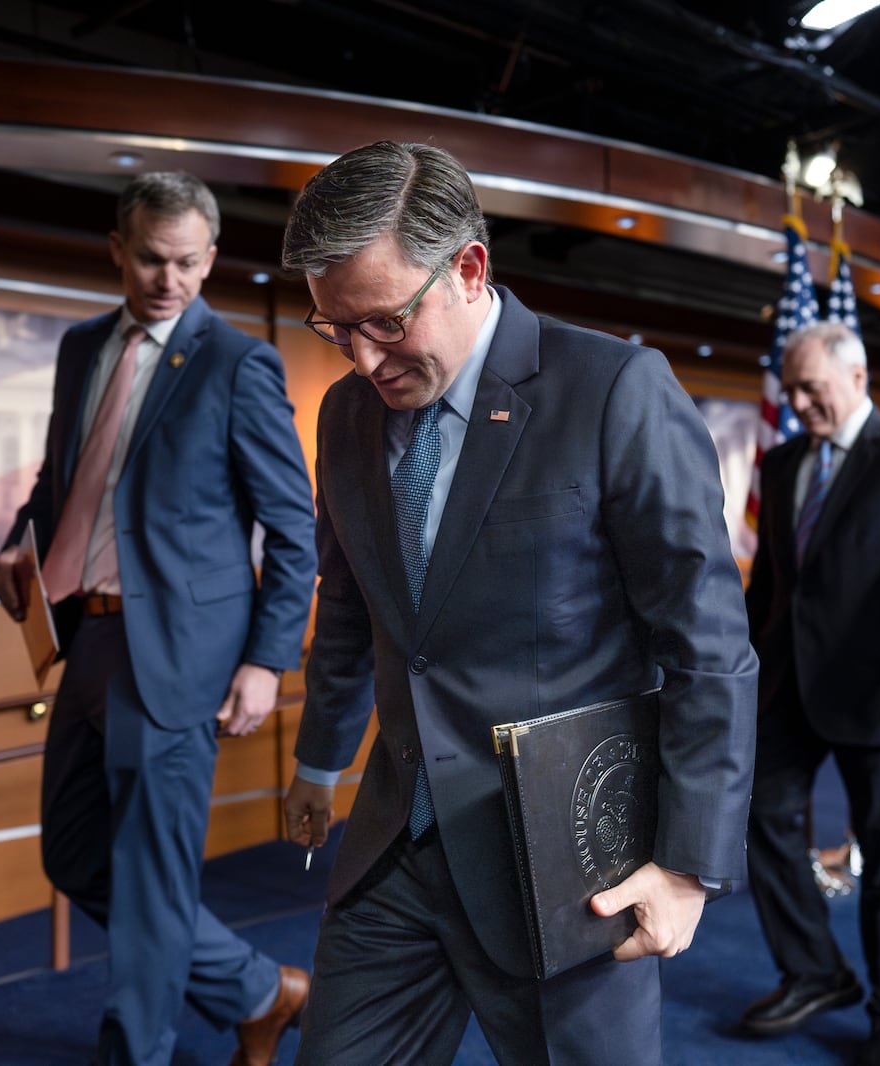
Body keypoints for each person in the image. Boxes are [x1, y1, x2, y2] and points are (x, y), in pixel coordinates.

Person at [278, 141, 757, 1065]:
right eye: (336, 330)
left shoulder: (613, 390)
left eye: (383, 321)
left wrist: (689, 865)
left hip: (563, 863)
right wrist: (318, 760)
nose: (365, 357)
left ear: (469, 268)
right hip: (397, 847)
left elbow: (706, 643)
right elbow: (351, 604)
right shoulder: (343, 417)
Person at [0, 171, 317, 1066]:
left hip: (179, 655)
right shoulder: (80, 347)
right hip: (83, 638)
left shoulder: (238, 363)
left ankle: (136, 1052)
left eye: (188, 263)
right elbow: (62, 482)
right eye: (152, 259)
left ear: (210, 261)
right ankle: (259, 992)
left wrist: (263, 661)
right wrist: (22, 544)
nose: (169, 279)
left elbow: (292, 529)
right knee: (76, 856)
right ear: (118, 251)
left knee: (153, 880)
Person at [741, 321, 880, 1066]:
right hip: (789, 689)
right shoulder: (779, 466)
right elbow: (772, 587)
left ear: (858, 376)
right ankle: (815, 972)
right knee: (757, 816)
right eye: (792, 388)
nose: (799, 401)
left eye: (812, 387)